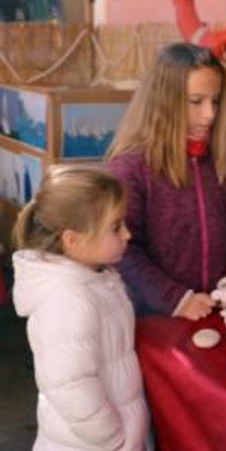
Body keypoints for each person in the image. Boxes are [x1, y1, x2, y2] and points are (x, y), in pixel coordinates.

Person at [107, 43, 226, 320]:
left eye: (216, 100)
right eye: (196, 101)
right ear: (163, 100)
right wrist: (177, 300)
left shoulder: (223, 156)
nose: (210, 114)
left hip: (218, 310)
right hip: (154, 319)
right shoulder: (130, 167)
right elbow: (123, 251)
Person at [12, 165, 148, 450]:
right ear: (72, 240)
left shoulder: (97, 277)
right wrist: (115, 440)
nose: (127, 235)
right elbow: (71, 387)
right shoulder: (67, 300)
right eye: (116, 227)